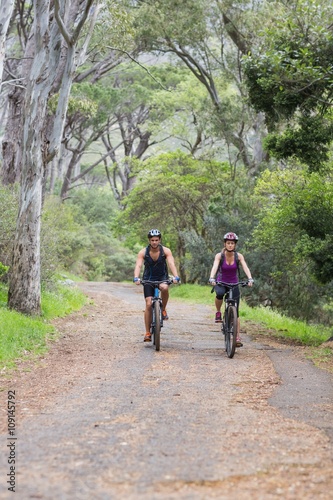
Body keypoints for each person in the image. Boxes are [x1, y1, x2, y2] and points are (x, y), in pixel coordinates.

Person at [133, 229, 180, 342]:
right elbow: (138, 266)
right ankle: (147, 332)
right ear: (149, 240)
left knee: (164, 287)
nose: (154, 242)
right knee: (149, 304)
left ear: (159, 240)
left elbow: (171, 263)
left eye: (156, 240)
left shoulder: (166, 251)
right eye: (152, 240)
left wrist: (176, 276)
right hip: (148, 279)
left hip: (162, 278)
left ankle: (163, 309)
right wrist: (136, 277)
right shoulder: (143, 252)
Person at [209, 232, 253, 347]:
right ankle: (218, 312)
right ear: (225, 244)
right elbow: (214, 266)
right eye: (228, 243)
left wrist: (250, 279)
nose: (230, 245)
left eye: (232, 243)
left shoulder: (239, 256)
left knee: (236, 312)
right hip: (221, 282)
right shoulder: (220, 256)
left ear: (235, 245)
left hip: (234, 283)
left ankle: (237, 336)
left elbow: (245, 267)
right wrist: (212, 278)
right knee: (219, 293)